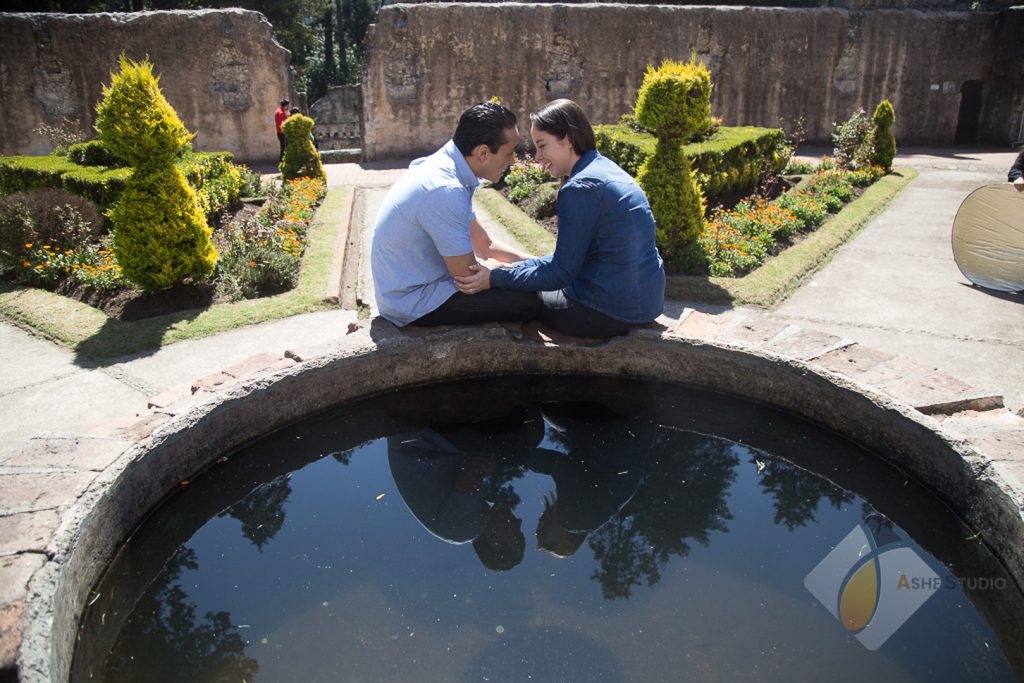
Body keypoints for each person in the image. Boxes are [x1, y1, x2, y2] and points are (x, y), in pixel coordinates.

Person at [454, 99, 665, 339]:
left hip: (604, 313)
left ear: (567, 139)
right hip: (645, 305)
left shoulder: (580, 188)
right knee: (522, 280)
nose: (537, 157)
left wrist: (494, 278)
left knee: (522, 297)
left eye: (542, 145)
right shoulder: (604, 168)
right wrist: (514, 267)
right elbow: (565, 261)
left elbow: (559, 274)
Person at [371, 101, 542, 327]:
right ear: (483, 153)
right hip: (415, 302)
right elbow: (469, 278)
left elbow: (485, 244)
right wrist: (496, 270)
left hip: (416, 290)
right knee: (529, 301)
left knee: (531, 283)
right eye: (509, 153)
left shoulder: (449, 168)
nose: (513, 161)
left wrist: (541, 266)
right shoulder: (445, 189)